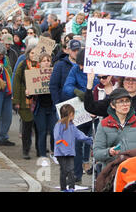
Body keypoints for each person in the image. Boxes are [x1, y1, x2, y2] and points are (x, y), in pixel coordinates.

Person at [62, 49, 99, 184]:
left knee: (98, 143)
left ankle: (99, 174)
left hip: (97, 111)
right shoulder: (75, 70)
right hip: (82, 114)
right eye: (79, 64)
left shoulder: (99, 69)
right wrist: (77, 91)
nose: (81, 67)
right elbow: (66, 88)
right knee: (77, 143)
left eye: (83, 64)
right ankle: (76, 175)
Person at [93, 88, 136, 170]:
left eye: (127, 101)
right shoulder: (104, 124)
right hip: (112, 171)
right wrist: (109, 152)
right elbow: (96, 153)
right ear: (112, 105)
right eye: (121, 101)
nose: (125, 104)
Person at [54, 104, 93, 192]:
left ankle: (71, 187)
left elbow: (80, 135)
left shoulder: (72, 125)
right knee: (64, 171)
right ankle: (63, 188)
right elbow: (57, 138)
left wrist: (91, 141)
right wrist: (64, 149)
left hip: (70, 152)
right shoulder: (59, 125)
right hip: (61, 153)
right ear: (70, 114)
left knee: (71, 170)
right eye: (72, 113)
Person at [12, 44, 40, 159]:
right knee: (27, 125)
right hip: (25, 100)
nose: (33, 55)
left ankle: (40, 149)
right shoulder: (22, 65)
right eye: (31, 53)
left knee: (39, 126)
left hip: (38, 100)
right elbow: (16, 83)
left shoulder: (41, 66)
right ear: (28, 54)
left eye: (35, 53)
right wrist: (17, 100)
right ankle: (26, 150)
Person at [31, 53, 58, 157]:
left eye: (48, 60)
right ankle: (42, 156)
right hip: (40, 107)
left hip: (51, 107)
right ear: (40, 63)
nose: (46, 63)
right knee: (42, 132)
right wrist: (28, 93)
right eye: (44, 61)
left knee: (53, 131)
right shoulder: (34, 74)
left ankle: (54, 152)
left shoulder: (54, 74)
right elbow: (31, 93)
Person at [0, 43, 15, 147]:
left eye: (2, 54)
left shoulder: (6, 61)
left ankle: (3, 137)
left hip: (7, 91)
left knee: (7, 116)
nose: (1, 56)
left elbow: (10, 73)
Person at [49, 39, 81, 106]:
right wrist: (58, 104)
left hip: (82, 103)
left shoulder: (85, 65)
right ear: (68, 50)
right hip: (65, 104)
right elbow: (53, 86)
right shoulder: (60, 65)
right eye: (74, 50)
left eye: (78, 50)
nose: (76, 53)